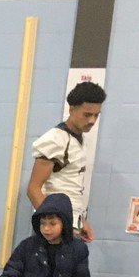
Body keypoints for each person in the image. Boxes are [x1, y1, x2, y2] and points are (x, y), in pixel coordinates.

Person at [27, 81, 106, 242]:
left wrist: (79, 220)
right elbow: (33, 189)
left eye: (96, 115)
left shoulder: (78, 139)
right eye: (87, 114)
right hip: (57, 230)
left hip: (71, 224)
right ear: (71, 109)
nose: (92, 120)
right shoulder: (55, 140)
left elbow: (70, 185)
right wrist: (54, 226)